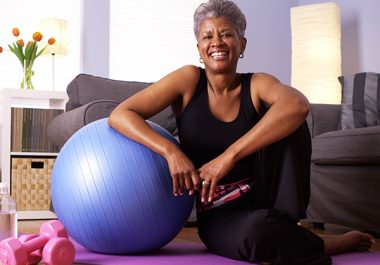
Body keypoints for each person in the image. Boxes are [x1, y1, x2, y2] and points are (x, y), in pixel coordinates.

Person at [109, 0, 375, 264]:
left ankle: (289, 228)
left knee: (289, 119)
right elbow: (121, 114)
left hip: (267, 198)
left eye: (226, 34)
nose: (217, 42)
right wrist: (171, 151)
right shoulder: (188, 80)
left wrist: (229, 156)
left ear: (242, 44)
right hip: (220, 213)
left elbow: (298, 105)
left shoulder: (257, 84)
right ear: (199, 49)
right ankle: (322, 244)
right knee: (257, 233)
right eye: (207, 36)